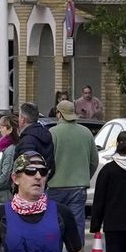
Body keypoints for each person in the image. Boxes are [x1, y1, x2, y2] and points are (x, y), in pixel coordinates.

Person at [47, 99, 98, 237]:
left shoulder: (52, 133)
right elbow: (94, 161)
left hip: (55, 187)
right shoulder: (86, 133)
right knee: (76, 227)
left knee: (54, 227)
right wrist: (85, 177)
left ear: (59, 114)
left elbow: (47, 160)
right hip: (78, 187)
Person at [14, 103, 55, 176]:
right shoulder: (45, 134)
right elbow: (51, 165)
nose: (18, 120)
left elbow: (25, 168)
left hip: (29, 184)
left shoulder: (27, 140)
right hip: (43, 181)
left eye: (19, 117)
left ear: (23, 119)